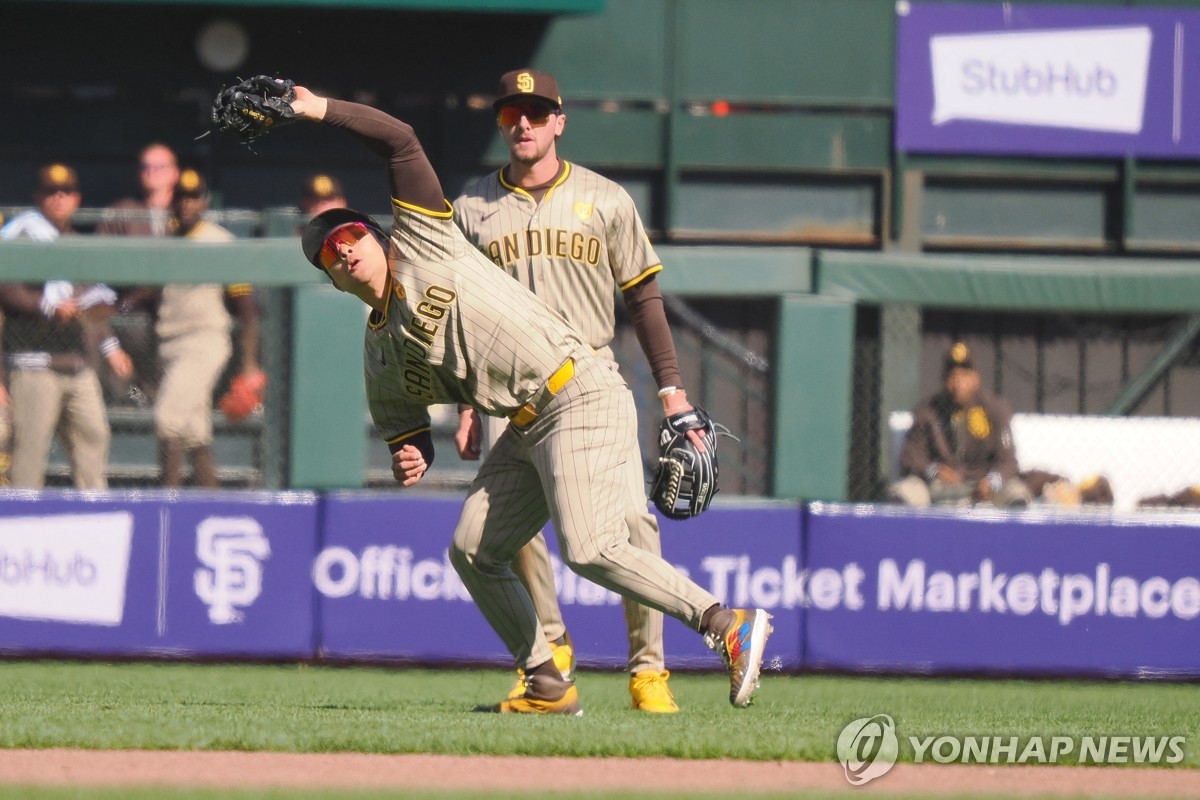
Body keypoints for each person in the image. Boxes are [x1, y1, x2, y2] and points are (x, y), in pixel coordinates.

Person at [281, 80, 772, 714]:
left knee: (595, 546)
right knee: (472, 549)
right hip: (526, 421)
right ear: (329, 276)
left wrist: (319, 109)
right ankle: (546, 681)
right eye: (329, 252)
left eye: (350, 235)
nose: (343, 249)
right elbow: (402, 428)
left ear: (379, 236)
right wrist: (411, 453)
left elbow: (399, 140)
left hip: (577, 387)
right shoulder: (380, 349)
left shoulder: (429, 239)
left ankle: (725, 625)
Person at [453, 69, 689, 713]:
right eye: (511, 114)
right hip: (509, 392)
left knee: (629, 526)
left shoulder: (605, 199)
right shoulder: (473, 206)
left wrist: (672, 389)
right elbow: (462, 311)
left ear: (559, 121)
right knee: (508, 534)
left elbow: (642, 297)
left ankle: (649, 671)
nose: (522, 123)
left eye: (535, 112)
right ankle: (551, 658)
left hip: (585, 380)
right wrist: (469, 400)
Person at [124, 169, 262, 487]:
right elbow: (156, 291)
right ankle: (211, 504)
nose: (187, 204)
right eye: (181, 197)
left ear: (205, 201)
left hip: (205, 342)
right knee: (194, 433)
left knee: (167, 420)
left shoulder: (221, 242)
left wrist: (250, 365)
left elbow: (247, 310)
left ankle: (167, 505)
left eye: (194, 197)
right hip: (169, 344)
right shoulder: (167, 239)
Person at [0, 163, 133, 488]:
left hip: (78, 363)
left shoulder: (76, 242)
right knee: (30, 457)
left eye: (67, 191)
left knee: (94, 436)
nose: (59, 198)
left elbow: (89, 303)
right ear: (38, 197)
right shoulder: (23, 233)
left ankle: (95, 520)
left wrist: (110, 345)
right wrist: (46, 306)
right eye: (51, 192)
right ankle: (19, 528)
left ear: (77, 198)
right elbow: (8, 288)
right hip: (35, 364)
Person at [890, 342, 1031, 508]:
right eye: (952, 376)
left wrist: (992, 482)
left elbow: (1008, 462)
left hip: (983, 485)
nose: (958, 383)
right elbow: (910, 456)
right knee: (905, 491)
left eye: (964, 375)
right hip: (938, 487)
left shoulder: (994, 409)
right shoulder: (927, 411)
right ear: (943, 379)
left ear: (976, 379)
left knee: (1016, 492)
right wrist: (935, 470)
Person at [96, 142, 180, 237]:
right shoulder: (121, 211)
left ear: (175, 173)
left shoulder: (185, 210)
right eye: (145, 166)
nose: (152, 171)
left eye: (160, 167)